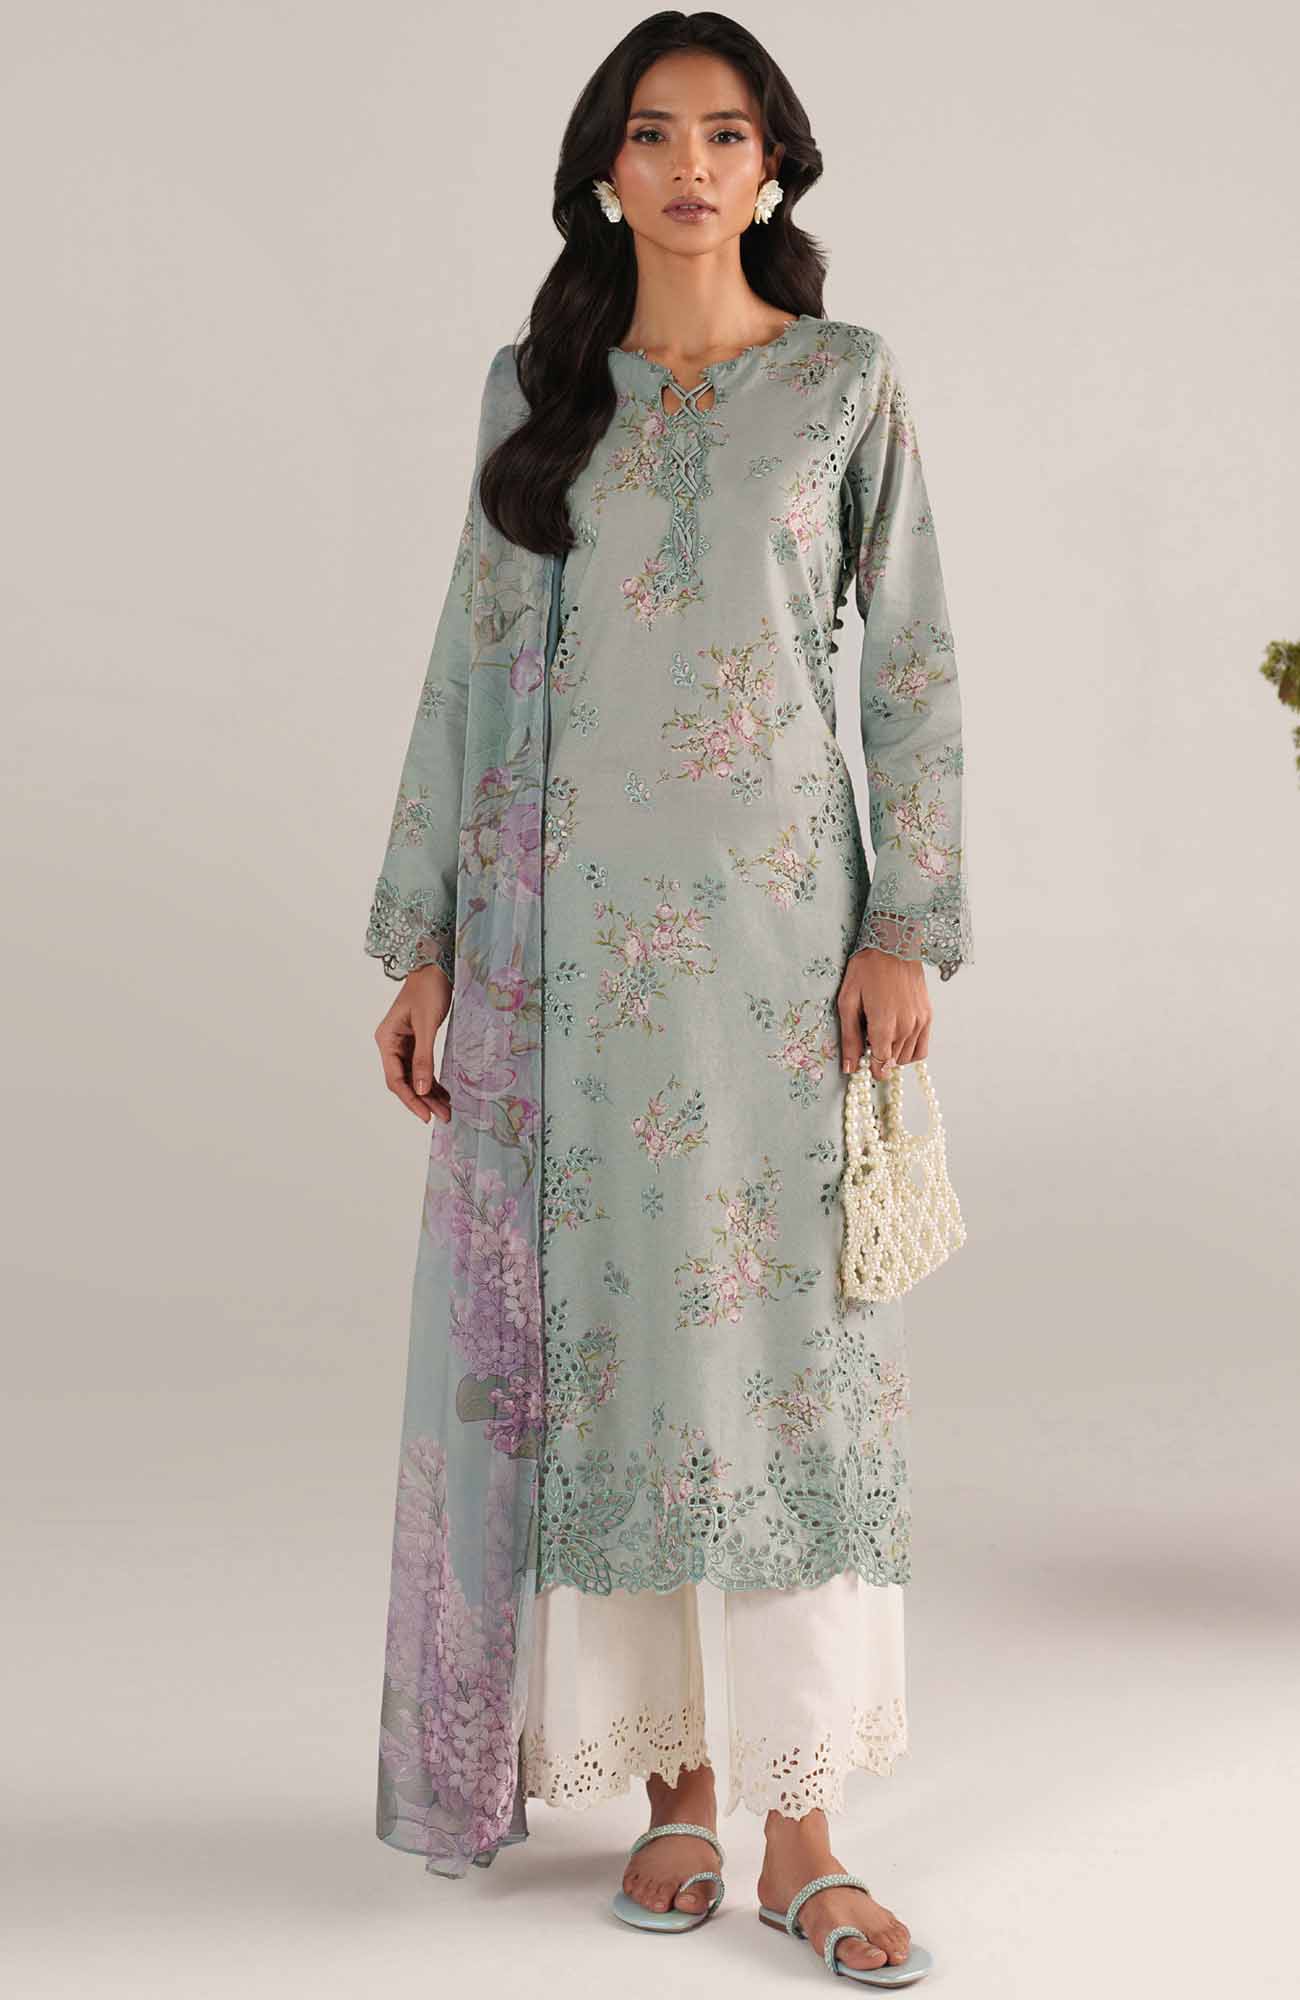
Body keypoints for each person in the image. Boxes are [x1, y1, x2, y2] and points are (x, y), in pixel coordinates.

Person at [362, 12, 970, 1986]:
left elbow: (910, 670)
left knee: (791, 1372)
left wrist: (905, 924)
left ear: (773, 164)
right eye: (651, 133)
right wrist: (427, 938)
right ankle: (677, 1793)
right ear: (604, 172)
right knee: (622, 1364)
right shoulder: (538, 395)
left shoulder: (840, 384)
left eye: (723, 133)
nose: (690, 165)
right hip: (573, 975)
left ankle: (807, 1830)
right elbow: (467, 668)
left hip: (789, 963)